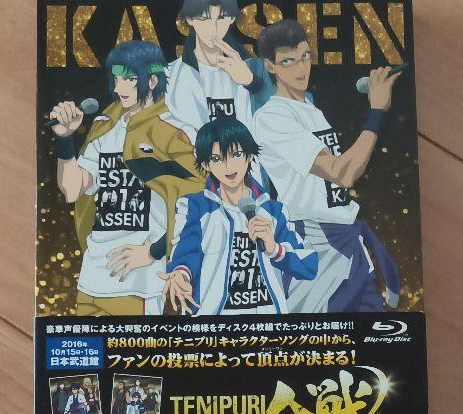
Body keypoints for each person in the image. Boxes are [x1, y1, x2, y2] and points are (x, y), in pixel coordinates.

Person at [252, 19, 403, 313]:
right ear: (270, 66)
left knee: (372, 333)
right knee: (312, 337)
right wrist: (376, 112)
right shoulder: (271, 117)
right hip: (315, 241)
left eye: (305, 56)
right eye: (288, 61)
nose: (300, 68)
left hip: (348, 238)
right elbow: (342, 173)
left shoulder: (309, 109)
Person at [49, 40, 202, 316]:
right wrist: (65, 140)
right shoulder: (105, 128)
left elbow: (201, 203)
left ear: (152, 80)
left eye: (130, 79)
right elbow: (72, 189)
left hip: (143, 284)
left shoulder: (175, 132)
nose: (120, 88)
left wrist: (155, 251)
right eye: (117, 79)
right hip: (93, 279)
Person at [159, 116, 316, 316]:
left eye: (236, 154)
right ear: (206, 164)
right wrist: (180, 275)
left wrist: (273, 248)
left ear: (249, 155)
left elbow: (308, 265)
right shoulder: (195, 207)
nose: (228, 166)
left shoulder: (273, 211)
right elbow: (186, 252)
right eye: (217, 159)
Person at [164, 0, 270, 142]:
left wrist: (251, 82)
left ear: (232, 18)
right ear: (190, 19)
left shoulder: (255, 69)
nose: (213, 28)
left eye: (222, 17)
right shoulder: (170, 75)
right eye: (204, 18)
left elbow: (278, 119)